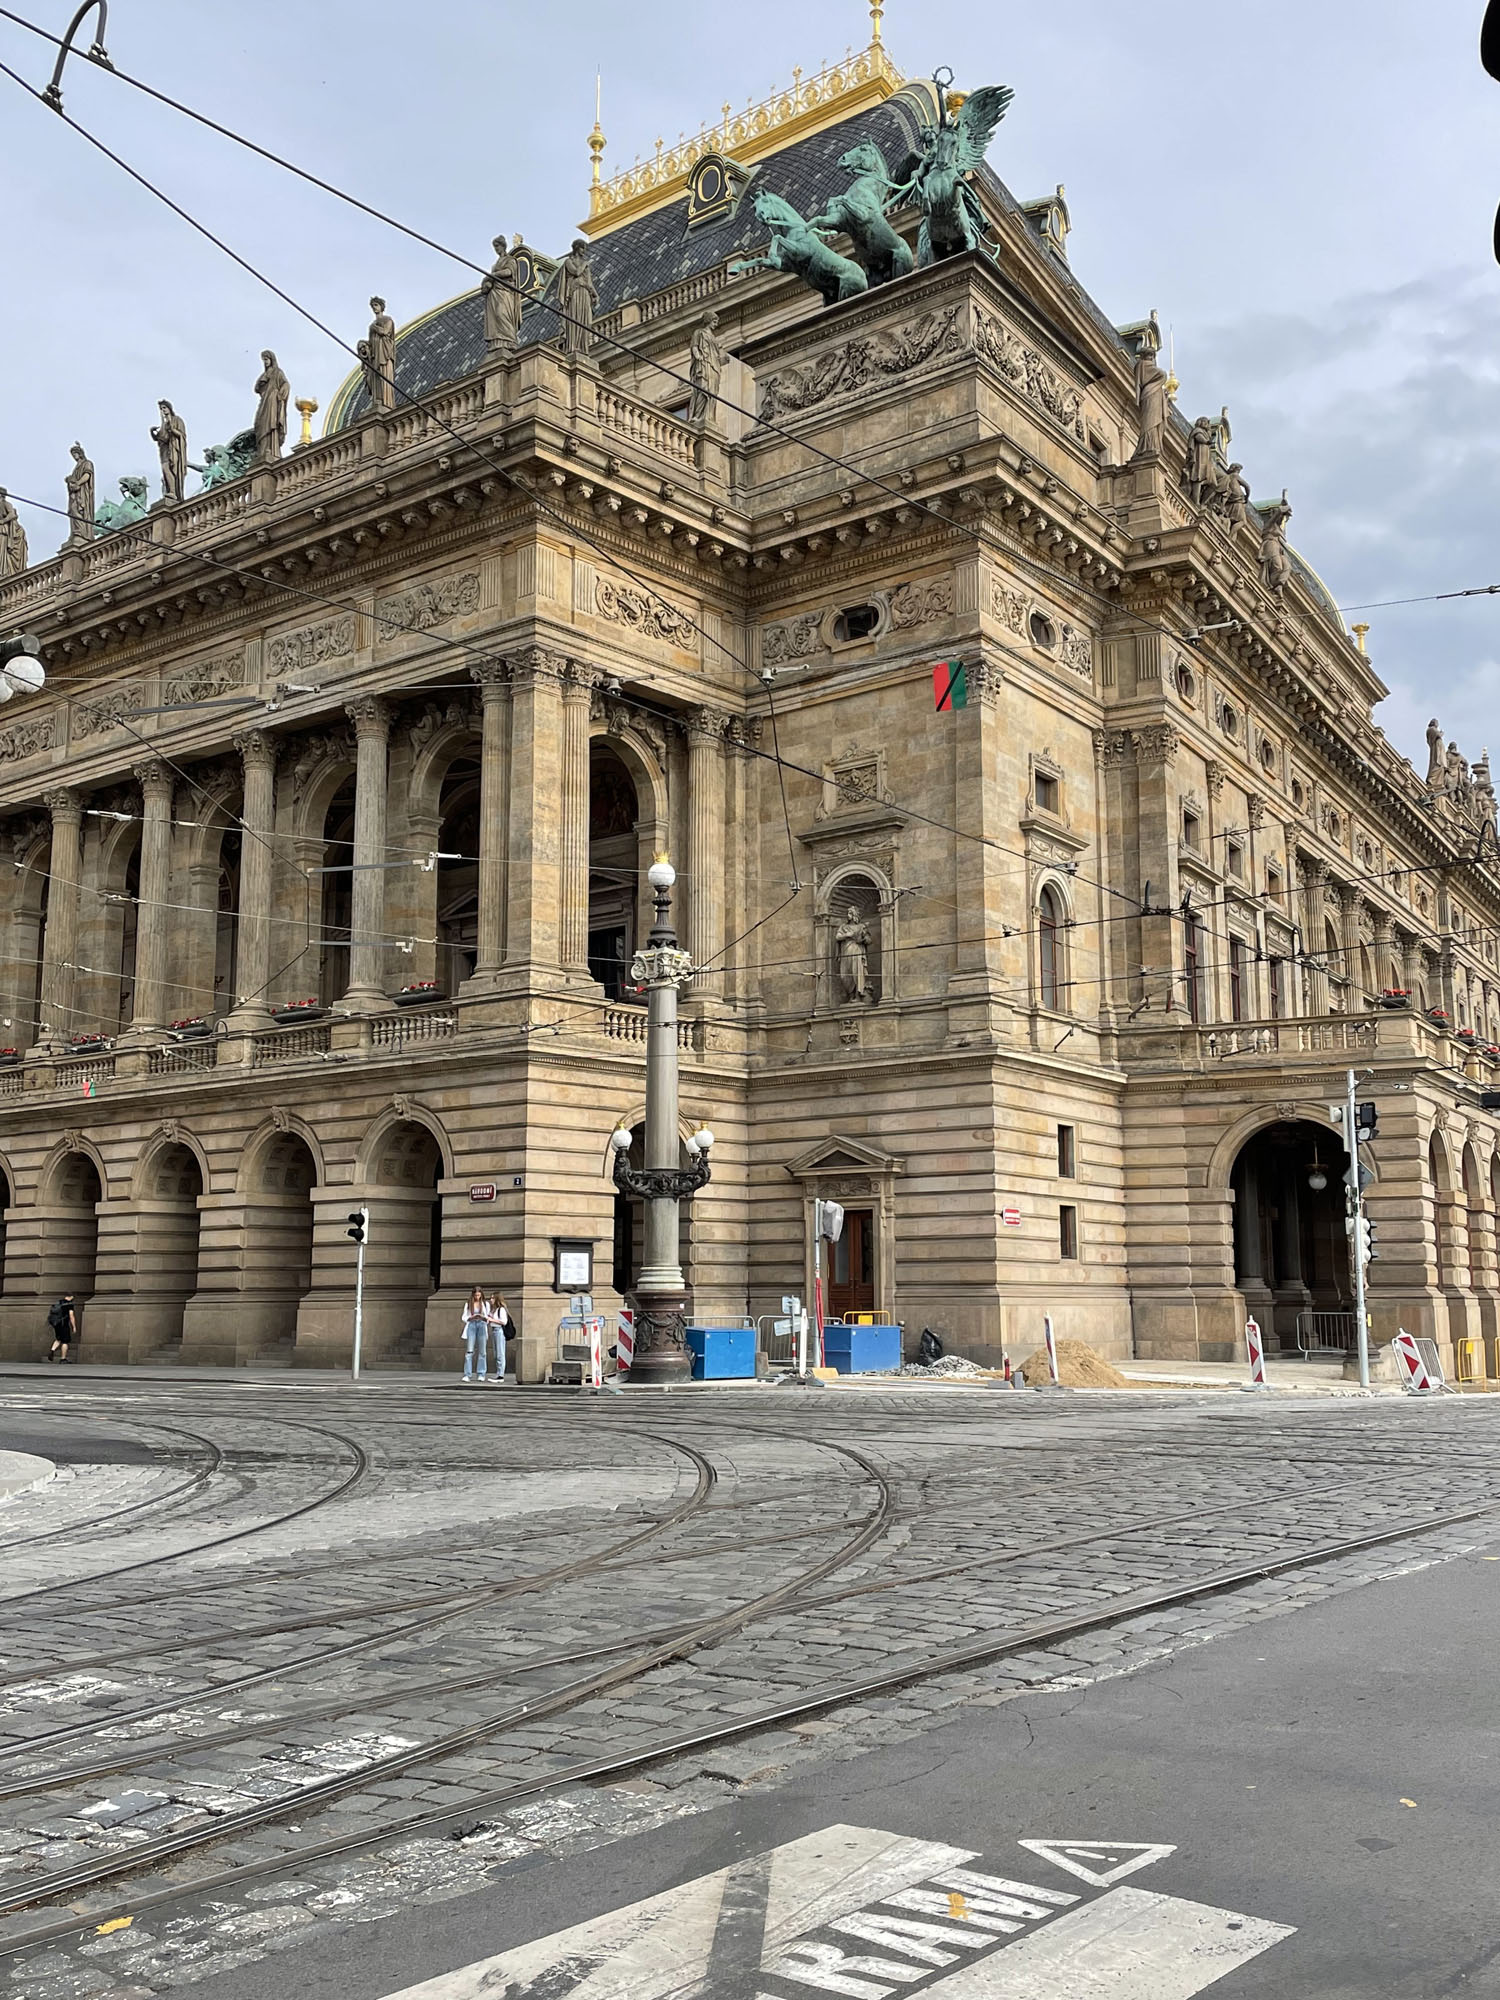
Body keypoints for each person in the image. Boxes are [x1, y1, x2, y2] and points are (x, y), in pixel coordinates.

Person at [461, 1285, 489, 1382]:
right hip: (472, 1325)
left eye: (479, 1295)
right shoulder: (468, 1304)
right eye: (476, 1295)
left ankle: (481, 1373)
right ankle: (467, 1374)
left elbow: (488, 1317)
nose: (477, 1297)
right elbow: (464, 1317)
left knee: (482, 1351)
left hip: (481, 1325)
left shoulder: (485, 1304)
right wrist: (470, 1318)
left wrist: (483, 1318)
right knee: (469, 1351)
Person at [485, 1293, 512, 1384]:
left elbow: (504, 1322)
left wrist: (492, 1320)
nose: (491, 1300)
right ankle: (498, 1373)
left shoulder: (501, 1309)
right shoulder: (494, 1309)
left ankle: (501, 1375)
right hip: (494, 1330)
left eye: (493, 1298)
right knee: (496, 1353)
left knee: (500, 1353)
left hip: (499, 1331)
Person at [47, 1293, 77, 1363]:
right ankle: (63, 1359)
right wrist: (74, 1326)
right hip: (64, 1325)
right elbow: (71, 1316)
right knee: (65, 1342)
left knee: (58, 1339)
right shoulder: (69, 1304)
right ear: (71, 1297)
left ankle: (52, 1350)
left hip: (56, 1324)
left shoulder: (59, 1302)